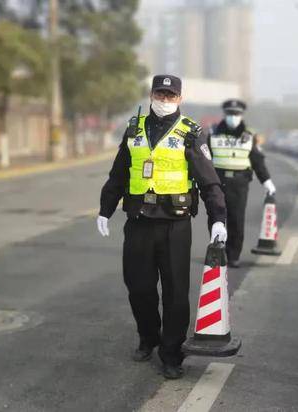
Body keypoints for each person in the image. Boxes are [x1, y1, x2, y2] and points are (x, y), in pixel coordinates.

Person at [96, 75, 227, 379]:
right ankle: (148, 337)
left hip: (174, 226)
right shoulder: (134, 128)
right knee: (138, 288)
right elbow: (118, 174)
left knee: (175, 293)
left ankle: (171, 353)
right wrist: (105, 209)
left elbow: (210, 181)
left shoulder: (191, 134)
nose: (164, 99)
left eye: (171, 95)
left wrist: (217, 217)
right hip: (139, 222)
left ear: (179, 99)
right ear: (151, 94)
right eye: (160, 93)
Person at [207, 99, 276, 268]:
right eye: (230, 113)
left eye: (236, 114)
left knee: (237, 221)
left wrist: (266, 180)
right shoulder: (213, 133)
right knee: (216, 219)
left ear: (241, 115)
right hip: (217, 182)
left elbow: (257, 161)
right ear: (225, 114)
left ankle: (233, 256)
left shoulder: (249, 136)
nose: (233, 117)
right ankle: (218, 253)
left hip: (239, 184)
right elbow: (203, 159)